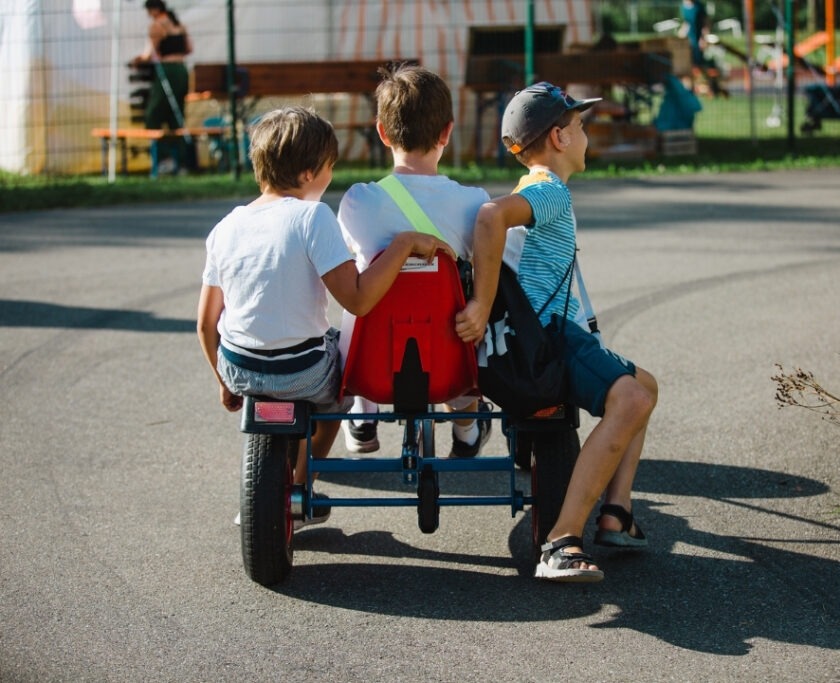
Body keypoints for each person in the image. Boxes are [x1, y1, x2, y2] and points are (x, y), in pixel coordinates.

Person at [197, 106, 453, 527]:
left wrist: (223, 381)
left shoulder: (227, 225)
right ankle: (301, 483)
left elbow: (206, 323)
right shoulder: (312, 217)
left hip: (239, 367)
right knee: (340, 385)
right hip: (303, 371)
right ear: (307, 175)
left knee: (292, 359)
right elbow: (357, 299)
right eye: (329, 169)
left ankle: (283, 490)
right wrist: (404, 244)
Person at [455, 83, 659, 582]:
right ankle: (563, 540)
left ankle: (617, 513)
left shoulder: (540, 189)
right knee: (631, 399)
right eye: (582, 126)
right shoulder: (547, 190)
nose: (587, 135)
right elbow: (489, 216)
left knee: (646, 386)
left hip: (551, 330)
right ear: (559, 137)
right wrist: (480, 304)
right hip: (553, 335)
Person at [337, 64, 492, 458]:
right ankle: (467, 427)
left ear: (382, 132)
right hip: (448, 363)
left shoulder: (358, 201)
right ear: (447, 132)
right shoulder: (474, 203)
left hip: (371, 365)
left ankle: (361, 412)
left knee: (359, 281)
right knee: (463, 300)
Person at [132, 0, 192, 173]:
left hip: (167, 71)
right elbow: (189, 48)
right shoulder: (180, 25)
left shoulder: (157, 26)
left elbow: (148, 54)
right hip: (182, 70)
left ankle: (163, 158)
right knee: (177, 116)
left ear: (155, 10)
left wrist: (139, 60)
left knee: (153, 115)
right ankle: (181, 162)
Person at [679, 0, 727, 98]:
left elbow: (706, 23)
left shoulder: (698, 6)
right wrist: (680, 36)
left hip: (698, 39)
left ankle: (713, 85)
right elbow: (686, 23)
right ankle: (691, 89)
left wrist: (704, 38)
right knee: (689, 66)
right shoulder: (683, 6)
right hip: (688, 40)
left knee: (699, 65)